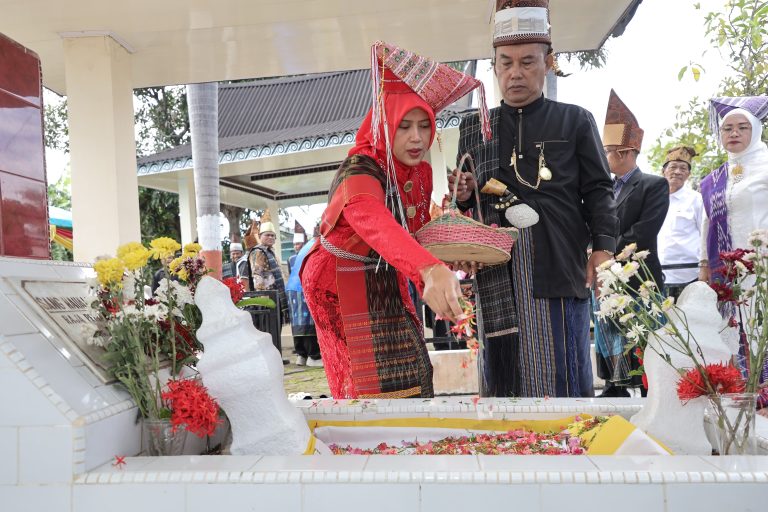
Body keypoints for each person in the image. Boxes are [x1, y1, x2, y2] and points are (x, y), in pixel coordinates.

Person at [300, 41, 489, 399]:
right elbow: (372, 220)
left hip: (384, 271)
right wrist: (429, 270)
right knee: (371, 387)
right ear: (385, 124)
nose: (417, 138)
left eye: (424, 125)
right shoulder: (359, 169)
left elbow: (411, 236)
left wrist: (448, 259)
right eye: (404, 126)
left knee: (414, 368)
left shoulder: (419, 172)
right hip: (338, 283)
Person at [449, 0, 617, 398]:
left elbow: (599, 190)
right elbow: (468, 205)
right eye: (505, 63)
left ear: (548, 63)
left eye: (527, 62)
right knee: (504, 379)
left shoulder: (575, 120)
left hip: (556, 262)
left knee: (563, 373)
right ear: (494, 67)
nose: (515, 73)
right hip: (496, 272)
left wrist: (603, 249)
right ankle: (511, 438)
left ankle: (571, 438)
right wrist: (464, 196)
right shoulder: (475, 126)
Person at [594, 90, 669, 398]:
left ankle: (650, 390)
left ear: (624, 152)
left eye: (607, 152)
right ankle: (614, 386)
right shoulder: (602, 188)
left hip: (639, 278)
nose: (603, 157)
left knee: (643, 334)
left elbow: (644, 231)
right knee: (608, 331)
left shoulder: (654, 185)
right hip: (606, 276)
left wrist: (605, 252)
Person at [699, 96, 768, 409]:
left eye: (742, 127)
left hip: (762, 266)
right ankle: (746, 396)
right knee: (737, 329)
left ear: (756, 130)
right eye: (727, 128)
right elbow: (707, 223)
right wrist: (704, 265)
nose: (734, 133)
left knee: (761, 325)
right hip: (728, 270)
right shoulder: (714, 179)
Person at [657, 146, 704, 300]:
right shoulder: (653, 199)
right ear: (664, 171)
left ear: (689, 174)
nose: (677, 172)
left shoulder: (696, 200)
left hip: (689, 275)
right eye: (673, 167)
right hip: (657, 275)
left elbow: (705, 235)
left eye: (683, 168)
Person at [287, 229, 322, 367]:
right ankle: (313, 356)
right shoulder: (317, 244)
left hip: (291, 288)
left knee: (298, 323)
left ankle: (301, 355)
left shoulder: (308, 245)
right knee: (308, 323)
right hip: (303, 286)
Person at [247, 210, 289, 324]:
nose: (270, 237)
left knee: (276, 328)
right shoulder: (258, 251)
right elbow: (257, 276)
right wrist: (263, 300)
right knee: (269, 329)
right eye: (267, 235)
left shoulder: (271, 251)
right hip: (266, 299)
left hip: (276, 297)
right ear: (260, 236)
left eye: (272, 235)